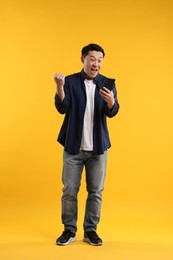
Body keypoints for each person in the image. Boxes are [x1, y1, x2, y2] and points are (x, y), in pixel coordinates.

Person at [54, 43, 119, 246]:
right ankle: (69, 230)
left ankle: (90, 231)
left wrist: (110, 101)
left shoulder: (107, 83)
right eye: (92, 59)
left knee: (96, 191)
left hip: (98, 148)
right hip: (74, 147)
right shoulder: (71, 82)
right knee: (69, 190)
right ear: (83, 59)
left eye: (100, 60)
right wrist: (59, 87)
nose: (96, 64)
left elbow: (113, 111)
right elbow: (62, 107)